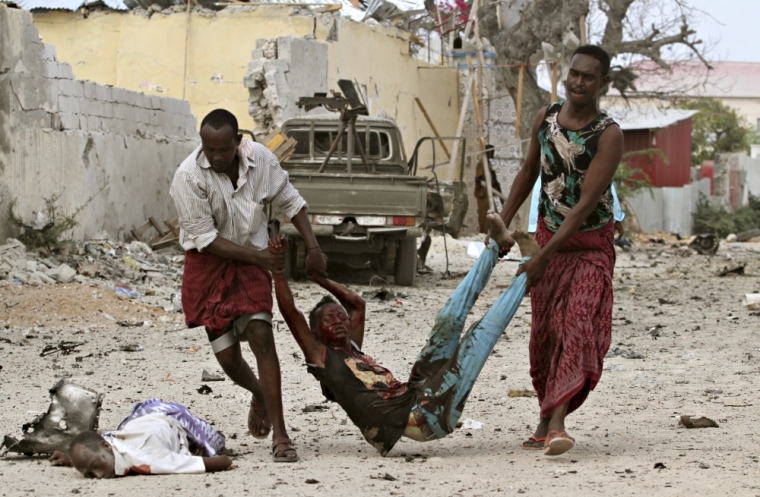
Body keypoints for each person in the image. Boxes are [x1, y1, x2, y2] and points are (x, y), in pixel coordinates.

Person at [268, 215, 538, 456]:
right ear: (316, 333)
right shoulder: (322, 357)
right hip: (423, 416)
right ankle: (530, 272)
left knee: (449, 319)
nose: (339, 322)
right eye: (329, 320)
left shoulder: (352, 347)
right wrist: (279, 272)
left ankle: (494, 248)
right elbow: (291, 312)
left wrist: (319, 278)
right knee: (475, 338)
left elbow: (358, 305)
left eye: (340, 317)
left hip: (416, 389)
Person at [170, 109, 327, 462]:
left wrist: (313, 247)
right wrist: (262, 260)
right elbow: (206, 239)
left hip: (253, 257)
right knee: (227, 359)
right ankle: (258, 393)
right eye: (209, 150)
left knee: (262, 337)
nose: (217, 157)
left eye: (223, 149)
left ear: (238, 141)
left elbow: (291, 201)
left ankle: (282, 435)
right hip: (208, 264)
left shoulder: (261, 161)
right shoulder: (188, 177)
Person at [493, 45, 624, 456]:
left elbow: (585, 203)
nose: (578, 82)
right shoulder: (546, 118)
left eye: (588, 77)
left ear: (603, 83)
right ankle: (544, 417)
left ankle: (559, 423)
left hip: (589, 245)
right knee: (545, 333)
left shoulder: (608, 134)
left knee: (575, 324)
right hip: (548, 238)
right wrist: (502, 221)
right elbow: (529, 172)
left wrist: (540, 260)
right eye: (574, 74)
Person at [48, 400, 231, 478]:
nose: (99, 477)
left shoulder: (147, 459)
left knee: (216, 442)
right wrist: (72, 459)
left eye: (95, 468)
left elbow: (219, 462)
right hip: (139, 419)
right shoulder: (110, 443)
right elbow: (97, 443)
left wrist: (221, 461)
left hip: (173, 416)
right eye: (90, 474)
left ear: (106, 446)